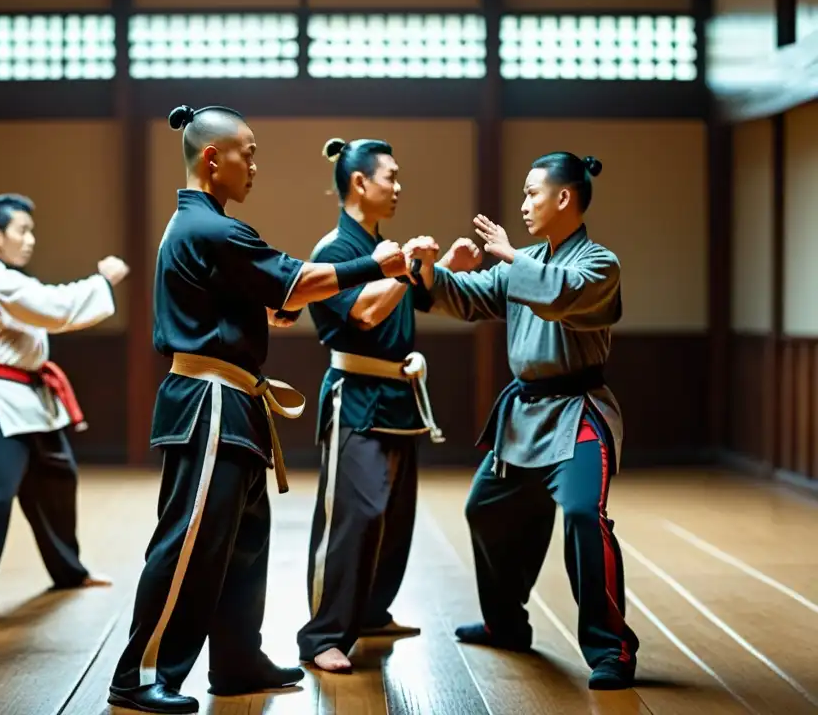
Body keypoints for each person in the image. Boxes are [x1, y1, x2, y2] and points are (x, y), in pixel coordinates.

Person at [107, 105, 418, 715]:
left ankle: (235, 659)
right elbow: (295, 282)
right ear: (211, 158)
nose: (254, 165)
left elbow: (257, 298)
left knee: (243, 542)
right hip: (209, 404)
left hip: (235, 401)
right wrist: (375, 265)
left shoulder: (208, 228)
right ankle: (140, 672)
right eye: (246, 153)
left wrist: (267, 310)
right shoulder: (210, 229)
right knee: (189, 542)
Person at [412, 153, 639, 690]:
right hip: (523, 413)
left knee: (585, 514)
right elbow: (467, 298)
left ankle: (612, 649)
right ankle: (505, 623)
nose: (523, 204)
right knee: (484, 508)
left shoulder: (599, 264)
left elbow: (561, 295)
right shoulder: (525, 260)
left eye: (532, 193)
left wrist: (512, 256)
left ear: (564, 197)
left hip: (578, 411)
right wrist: (430, 270)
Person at [296, 137, 474, 673]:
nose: (397, 187)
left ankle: (372, 612)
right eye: (389, 177)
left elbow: (418, 292)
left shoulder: (384, 247)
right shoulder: (333, 250)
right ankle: (322, 635)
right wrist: (404, 266)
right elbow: (367, 314)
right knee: (354, 516)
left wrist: (443, 264)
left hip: (397, 396)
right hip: (354, 397)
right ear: (358, 183)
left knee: (394, 517)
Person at [0, 193, 129, 632]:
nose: (29, 239)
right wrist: (102, 280)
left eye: (30, 230)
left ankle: (68, 571)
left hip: (34, 401)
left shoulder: (10, 280)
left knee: (58, 482)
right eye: (21, 230)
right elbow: (56, 308)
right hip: (0, 402)